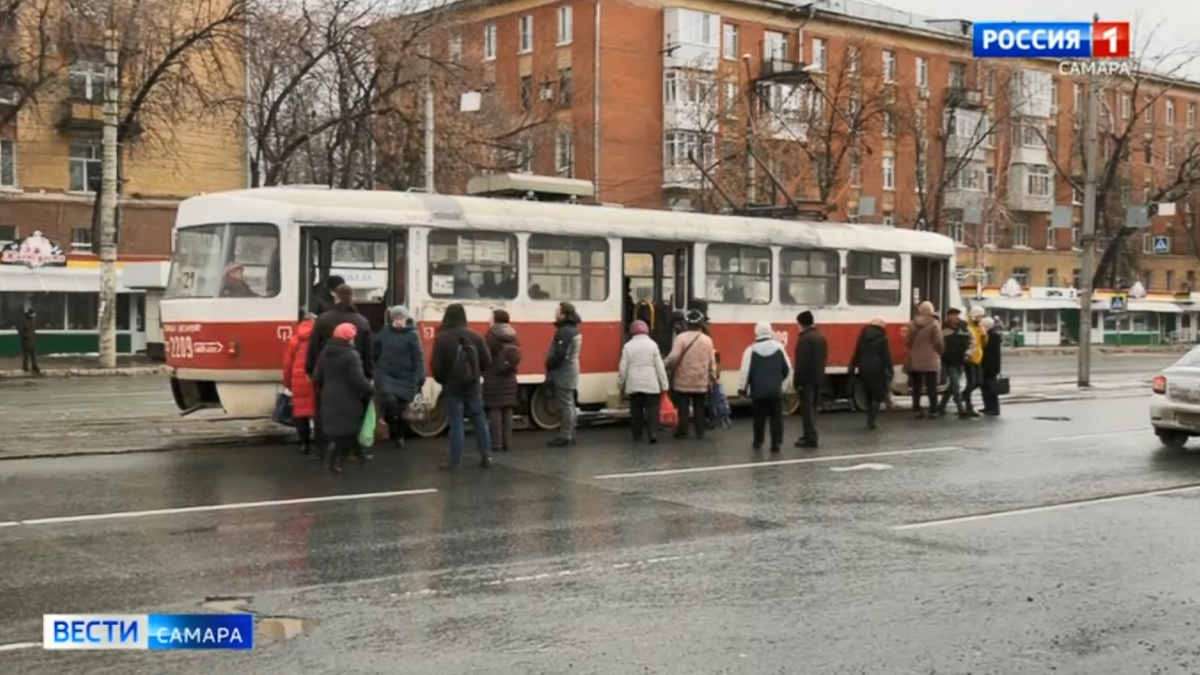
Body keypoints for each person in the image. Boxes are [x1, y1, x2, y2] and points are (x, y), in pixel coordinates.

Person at [431, 303, 493, 469]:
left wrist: (443, 380)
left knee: (456, 421)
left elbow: (436, 366)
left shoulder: (442, 338)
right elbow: (487, 361)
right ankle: (486, 456)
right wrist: (475, 374)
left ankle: (455, 460)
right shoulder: (475, 336)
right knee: (479, 418)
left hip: (452, 386)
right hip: (473, 386)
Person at [313, 322, 374, 473]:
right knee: (348, 430)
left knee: (340, 429)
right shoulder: (351, 356)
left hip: (329, 395)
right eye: (352, 337)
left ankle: (358, 456)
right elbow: (357, 379)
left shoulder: (325, 352)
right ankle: (333, 461)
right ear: (348, 338)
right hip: (348, 397)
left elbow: (317, 376)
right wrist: (371, 390)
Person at [373, 305, 425, 448]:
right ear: (392, 320)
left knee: (402, 410)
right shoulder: (384, 333)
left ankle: (400, 436)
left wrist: (420, 376)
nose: (399, 321)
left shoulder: (412, 335)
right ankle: (393, 427)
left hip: (406, 377)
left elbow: (418, 357)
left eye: (402, 318)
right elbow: (374, 351)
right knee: (390, 403)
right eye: (397, 318)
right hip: (387, 375)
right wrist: (377, 371)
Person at [738, 321, 791, 452]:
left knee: (758, 419)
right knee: (776, 419)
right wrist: (782, 385)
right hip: (775, 391)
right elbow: (787, 369)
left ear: (756, 332)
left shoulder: (750, 350)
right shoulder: (779, 348)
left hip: (758, 392)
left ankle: (758, 441)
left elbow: (745, 371)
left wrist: (742, 389)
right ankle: (776, 443)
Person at [664, 310, 717, 440]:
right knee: (699, 405)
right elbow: (712, 361)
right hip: (700, 378)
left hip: (683, 378)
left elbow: (674, 357)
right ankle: (700, 431)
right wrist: (713, 375)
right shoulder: (707, 340)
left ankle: (683, 430)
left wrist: (664, 365)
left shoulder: (680, 338)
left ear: (686, 323)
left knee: (683, 406)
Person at [617, 320, 669, 443]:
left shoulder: (628, 346)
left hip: (634, 383)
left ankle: (637, 433)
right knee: (652, 410)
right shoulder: (653, 345)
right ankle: (653, 433)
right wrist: (664, 384)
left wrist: (620, 384)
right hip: (651, 383)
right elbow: (659, 367)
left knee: (636, 410)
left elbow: (623, 368)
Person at [307, 284, 373, 380]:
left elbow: (313, 347)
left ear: (336, 298)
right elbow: (368, 353)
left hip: (327, 373)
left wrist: (310, 370)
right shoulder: (362, 322)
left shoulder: (323, 320)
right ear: (352, 298)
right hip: (354, 373)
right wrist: (369, 375)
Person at [483, 309, 522, 453]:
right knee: (507, 410)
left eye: (491, 317)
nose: (489, 320)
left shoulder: (491, 336)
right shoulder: (513, 335)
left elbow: (485, 356)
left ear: (495, 319)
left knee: (495, 410)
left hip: (494, 376)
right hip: (510, 377)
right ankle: (508, 443)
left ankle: (497, 444)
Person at [545, 301, 582, 448]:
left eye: (557, 310)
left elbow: (560, 354)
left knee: (566, 404)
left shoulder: (565, 331)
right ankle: (570, 433)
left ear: (563, 313)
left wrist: (549, 363)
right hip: (570, 370)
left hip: (564, 371)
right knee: (569, 403)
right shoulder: (572, 329)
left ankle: (565, 435)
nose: (555, 313)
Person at [282, 314, 318, 455]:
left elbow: (288, 364)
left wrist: (287, 383)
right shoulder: (318, 341)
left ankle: (304, 443)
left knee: (301, 413)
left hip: (298, 381)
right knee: (316, 411)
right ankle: (320, 443)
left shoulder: (294, 341)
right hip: (313, 380)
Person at [848, 317, 893, 430]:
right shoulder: (883, 338)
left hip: (864, 367)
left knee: (868, 394)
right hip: (877, 369)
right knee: (877, 395)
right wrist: (890, 369)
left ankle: (869, 417)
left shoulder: (863, 336)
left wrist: (852, 367)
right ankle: (872, 420)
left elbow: (856, 351)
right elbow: (886, 356)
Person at [793, 310, 828, 448]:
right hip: (818, 377)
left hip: (806, 379)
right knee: (813, 407)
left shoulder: (804, 339)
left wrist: (797, 381)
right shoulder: (820, 337)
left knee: (806, 409)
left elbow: (801, 363)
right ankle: (809, 433)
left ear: (801, 323)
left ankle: (810, 437)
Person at [905, 301, 944, 419]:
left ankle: (917, 409)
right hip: (931, 359)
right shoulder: (934, 324)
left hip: (915, 359)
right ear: (931, 311)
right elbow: (938, 342)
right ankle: (933, 410)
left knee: (917, 386)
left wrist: (914, 349)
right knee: (931, 386)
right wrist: (940, 352)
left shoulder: (912, 324)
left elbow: (908, 341)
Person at [937, 308, 977, 419]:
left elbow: (972, 342)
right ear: (949, 316)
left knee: (953, 386)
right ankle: (961, 409)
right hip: (949, 360)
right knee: (956, 384)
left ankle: (941, 406)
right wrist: (942, 355)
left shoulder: (964, 327)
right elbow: (939, 343)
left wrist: (968, 353)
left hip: (961, 360)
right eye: (953, 315)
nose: (956, 317)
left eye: (957, 315)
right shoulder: (944, 328)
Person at [963, 305, 988, 415]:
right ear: (974, 316)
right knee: (971, 382)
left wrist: (983, 334)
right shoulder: (967, 327)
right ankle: (968, 406)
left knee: (979, 382)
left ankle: (963, 395)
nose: (981, 319)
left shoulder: (978, 328)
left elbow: (984, 344)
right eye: (979, 317)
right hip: (969, 358)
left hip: (978, 357)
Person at [980, 317, 1003, 416]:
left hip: (991, 366)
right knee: (985, 387)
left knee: (991, 387)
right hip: (987, 365)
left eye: (983, 325)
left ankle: (994, 408)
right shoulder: (990, 335)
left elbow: (987, 349)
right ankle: (987, 406)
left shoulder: (993, 336)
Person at [17, 308, 39, 375]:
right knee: (26, 355)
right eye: (32, 314)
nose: (33, 316)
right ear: (29, 314)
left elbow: (33, 329)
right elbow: (21, 330)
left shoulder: (32, 320)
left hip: (32, 340)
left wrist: (33, 336)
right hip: (26, 340)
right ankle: (25, 367)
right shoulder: (23, 320)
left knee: (33, 355)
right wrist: (27, 336)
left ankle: (34, 366)